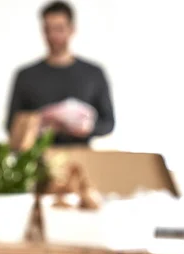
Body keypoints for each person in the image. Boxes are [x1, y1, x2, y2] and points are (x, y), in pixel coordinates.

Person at [6, 1, 115, 148]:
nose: (53, 36)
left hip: (82, 161)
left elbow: (108, 123)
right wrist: (38, 123)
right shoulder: (26, 75)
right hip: (38, 159)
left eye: (59, 29)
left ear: (72, 29)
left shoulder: (93, 73)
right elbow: (10, 125)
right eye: (48, 29)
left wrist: (88, 128)